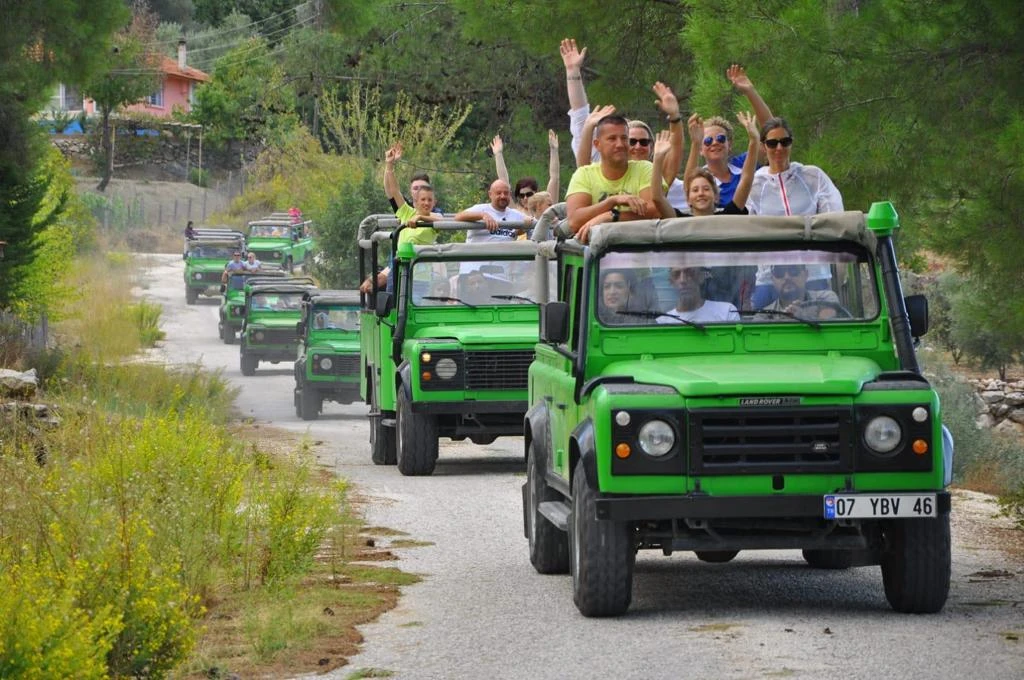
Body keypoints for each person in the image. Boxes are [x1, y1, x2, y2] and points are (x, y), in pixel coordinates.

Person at [560, 36, 687, 213]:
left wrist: (674, 116)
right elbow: (583, 161)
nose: (636, 146)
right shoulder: (600, 169)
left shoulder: (655, 173)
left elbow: (676, 149)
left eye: (644, 142)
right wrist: (573, 71)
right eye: (632, 140)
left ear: (652, 147)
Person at [747, 117, 845, 307]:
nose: (779, 148)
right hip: (770, 277)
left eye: (785, 142)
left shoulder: (812, 176)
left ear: (791, 143)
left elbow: (835, 218)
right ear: (763, 146)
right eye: (772, 143)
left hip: (813, 274)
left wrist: (839, 269)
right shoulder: (755, 184)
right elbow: (748, 229)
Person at [683, 65, 775, 208]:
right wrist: (695, 143)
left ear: (729, 144)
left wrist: (750, 92)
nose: (714, 143)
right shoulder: (702, 183)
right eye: (707, 141)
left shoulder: (742, 164)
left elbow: (772, 133)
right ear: (701, 149)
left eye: (720, 138)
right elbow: (688, 185)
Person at [564, 113, 657, 244]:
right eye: (612, 139)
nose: (620, 144)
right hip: (599, 257)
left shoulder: (645, 169)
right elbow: (574, 221)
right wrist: (611, 202)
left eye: (624, 138)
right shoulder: (583, 174)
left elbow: (654, 211)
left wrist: (611, 216)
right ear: (597, 145)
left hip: (640, 251)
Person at [651, 111, 760, 218]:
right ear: (687, 198)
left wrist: (754, 140)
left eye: (707, 189)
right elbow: (657, 198)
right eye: (695, 190)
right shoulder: (681, 220)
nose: (701, 193)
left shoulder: (727, 215)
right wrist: (658, 158)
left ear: (716, 197)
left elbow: (746, 180)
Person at [490, 130, 560, 213]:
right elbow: (504, 181)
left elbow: (554, 178)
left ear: (536, 193)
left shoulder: (547, 209)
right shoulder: (516, 212)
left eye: (529, 194)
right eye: (522, 195)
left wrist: (554, 149)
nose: (525, 198)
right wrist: (498, 154)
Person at [453, 179, 532, 243]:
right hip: (478, 260)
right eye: (498, 193)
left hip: (505, 260)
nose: (502, 196)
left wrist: (526, 224)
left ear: (510, 194)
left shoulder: (516, 214)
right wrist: (482, 215)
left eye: (506, 193)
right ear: (490, 194)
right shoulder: (480, 209)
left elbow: (520, 231)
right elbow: (458, 216)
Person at [656, 266, 739, 324]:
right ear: (671, 282)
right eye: (676, 274)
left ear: (701, 277)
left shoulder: (726, 313)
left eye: (689, 272)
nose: (683, 280)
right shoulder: (662, 322)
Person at [760, 264, 841, 320]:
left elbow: (827, 329)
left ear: (806, 275)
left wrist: (803, 318)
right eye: (779, 273)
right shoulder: (764, 315)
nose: (787, 277)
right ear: (772, 280)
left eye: (793, 270)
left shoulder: (825, 298)